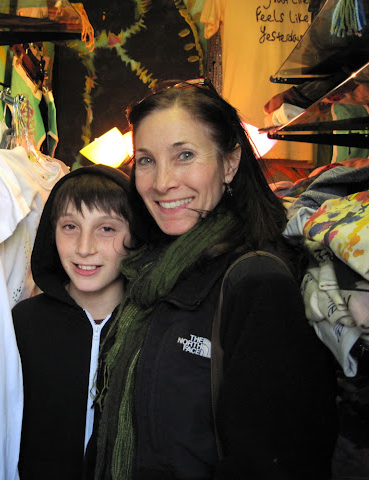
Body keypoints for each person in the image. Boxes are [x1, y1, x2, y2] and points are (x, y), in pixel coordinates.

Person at [90, 79, 339, 480]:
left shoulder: (257, 283)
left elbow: (276, 462)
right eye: (146, 160)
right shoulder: (148, 271)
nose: (162, 182)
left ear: (230, 163)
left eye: (184, 155)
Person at [12, 165, 137, 480]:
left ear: (136, 236)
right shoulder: (22, 324)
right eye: (70, 226)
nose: (84, 247)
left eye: (106, 228)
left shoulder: (152, 328)